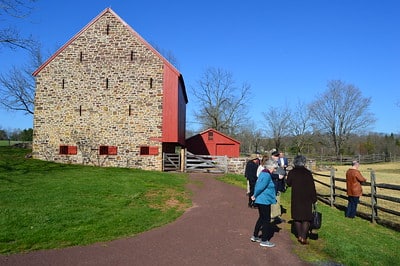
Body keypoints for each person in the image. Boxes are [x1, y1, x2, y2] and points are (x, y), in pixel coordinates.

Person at [286, 155, 317, 245]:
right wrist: (314, 199)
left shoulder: (292, 172)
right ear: (304, 162)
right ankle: (303, 237)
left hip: (296, 197)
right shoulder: (308, 173)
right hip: (307, 198)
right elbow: (312, 187)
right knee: (306, 218)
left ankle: (299, 235)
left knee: (297, 217)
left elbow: (288, 183)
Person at [250, 159, 278, 247]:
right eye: (274, 168)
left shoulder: (263, 173)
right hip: (264, 200)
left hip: (262, 199)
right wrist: (254, 195)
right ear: (270, 167)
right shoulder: (266, 175)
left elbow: (258, 185)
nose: (275, 170)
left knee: (261, 218)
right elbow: (260, 187)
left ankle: (255, 236)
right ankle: (264, 240)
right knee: (266, 219)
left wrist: (255, 195)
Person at [270, 151, 286, 222]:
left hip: (278, 184)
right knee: (273, 200)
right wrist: (277, 176)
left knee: (277, 200)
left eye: (278, 156)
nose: (277, 157)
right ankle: (272, 216)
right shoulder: (269, 163)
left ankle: (276, 215)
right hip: (272, 184)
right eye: (276, 156)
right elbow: (268, 174)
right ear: (272, 156)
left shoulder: (277, 163)